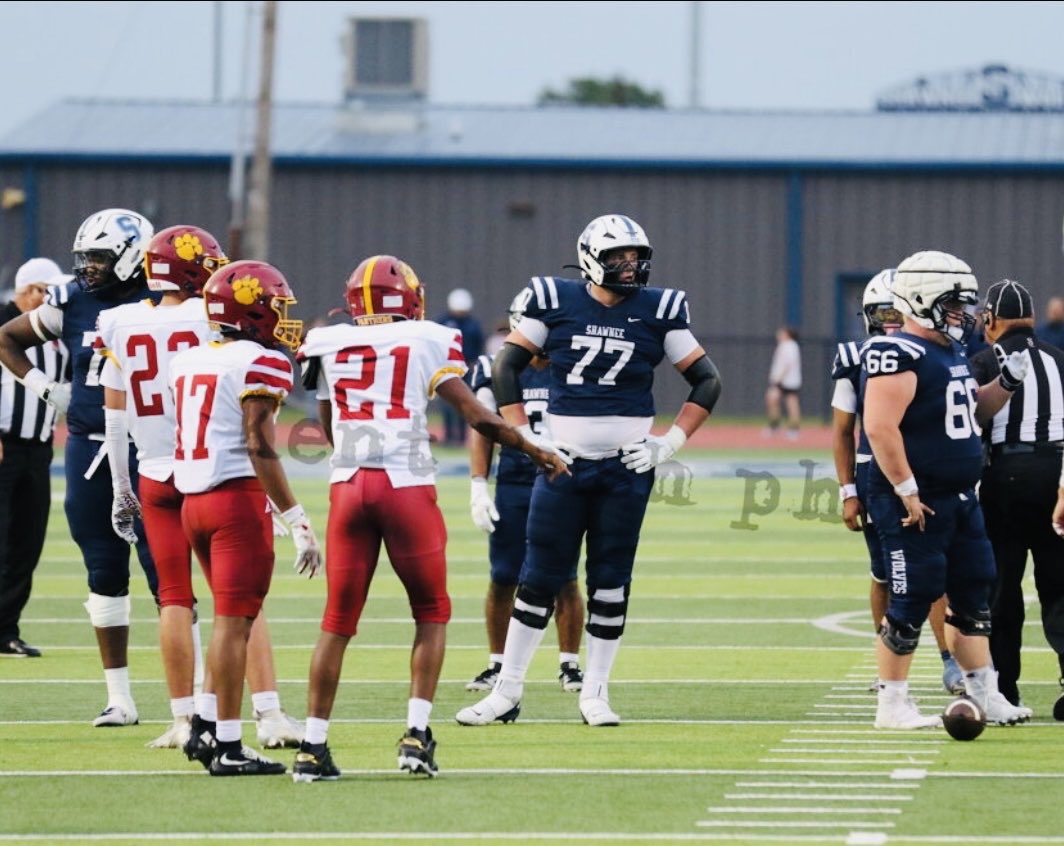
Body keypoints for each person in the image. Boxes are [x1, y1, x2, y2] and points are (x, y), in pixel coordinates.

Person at [290, 255, 568, 783]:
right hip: (405, 486)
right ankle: (416, 736)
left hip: (348, 486)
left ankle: (312, 745)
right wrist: (533, 449)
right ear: (410, 298)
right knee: (430, 611)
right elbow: (477, 416)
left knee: (336, 623)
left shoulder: (326, 342)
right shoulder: (428, 338)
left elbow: (327, 425)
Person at [457, 213, 721, 728]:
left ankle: (595, 693)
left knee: (610, 582)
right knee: (537, 577)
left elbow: (707, 381)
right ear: (589, 259)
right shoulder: (554, 300)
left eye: (635, 258)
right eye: (617, 258)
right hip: (563, 465)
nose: (628, 267)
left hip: (626, 469)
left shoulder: (659, 309)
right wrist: (524, 436)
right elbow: (507, 365)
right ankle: (508, 689)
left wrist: (669, 444)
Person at [96, 225, 303, 751]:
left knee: (173, 599)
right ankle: (268, 712)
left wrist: (122, 488)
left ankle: (185, 719)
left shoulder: (119, 321)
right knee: (238, 604)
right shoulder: (214, 316)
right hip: (214, 469)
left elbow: (114, 418)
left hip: (153, 471)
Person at [861, 249, 1033, 729]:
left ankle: (987, 692)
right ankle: (891, 704)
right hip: (915, 499)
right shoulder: (894, 350)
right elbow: (879, 427)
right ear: (920, 299)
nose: (963, 314)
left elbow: (971, 413)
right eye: (953, 303)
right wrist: (906, 488)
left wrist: (1006, 384)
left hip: (959, 494)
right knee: (912, 597)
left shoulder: (949, 350)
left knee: (975, 594)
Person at [0, 208, 158, 725]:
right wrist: (47, 388)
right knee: (103, 571)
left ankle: (197, 702)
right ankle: (120, 698)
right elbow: (8, 338)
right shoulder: (72, 300)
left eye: (99, 258)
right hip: (89, 448)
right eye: (84, 258)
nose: (87, 268)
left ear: (132, 256)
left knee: (167, 575)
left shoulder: (164, 298)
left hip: (152, 448)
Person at [168, 259, 321, 776]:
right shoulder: (261, 361)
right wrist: (296, 518)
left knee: (225, 625)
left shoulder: (190, 359)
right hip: (235, 502)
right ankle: (228, 744)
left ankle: (205, 726)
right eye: (275, 305)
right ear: (251, 307)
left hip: (192, 504)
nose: (280, 315)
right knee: (235, 627)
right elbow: (258, 443)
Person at [831, 269, 964, 696]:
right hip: (876, 472)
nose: (890, 320)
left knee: (936, 569)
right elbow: (841, 430)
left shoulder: (937, 350)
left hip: (926, 468)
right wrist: (848, 489)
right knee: (884, 573)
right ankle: (885, 660)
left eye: (896, 310)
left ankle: (951, 662)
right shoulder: (856, 356)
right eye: (882, 312)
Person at [465, 290, 584, 694]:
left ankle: (570, 664)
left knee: (565, 577)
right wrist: (478, 485)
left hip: (560, 480)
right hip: (514, 481)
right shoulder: (495, 367)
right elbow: (482, 428)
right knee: (503, 577)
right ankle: (497, 664)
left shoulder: (572, 365)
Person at [970, 279, 1064, 716]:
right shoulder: (1060, 361)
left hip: (1005, 477)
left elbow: (967, 424)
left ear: (991, 319)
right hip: (1056, 477)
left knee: (1002, 591)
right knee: (1060, 590)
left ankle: (1004, 690)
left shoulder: (984, 361)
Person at [0, 258, 70, 657]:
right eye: (42, 291)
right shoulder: (5, 326)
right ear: (23, 291)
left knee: (27, 543)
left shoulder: (55, 330)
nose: (48, 299)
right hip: (4, 445)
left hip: (37, 449)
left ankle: (6, 629)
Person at [435, 287, 484, 445]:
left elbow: (478, 345)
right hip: (445, 368)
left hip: (465, 369)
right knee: (447, 404)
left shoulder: (473, 325)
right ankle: (449, 436)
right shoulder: (443, 322)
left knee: (464, 402)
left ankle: (462, 436)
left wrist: (471, 362)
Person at [764, 326, 801, 439]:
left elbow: (788, 364)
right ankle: (775, 425)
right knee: (772, 399)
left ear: (787, 334)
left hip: (787, 381)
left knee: (791, 404)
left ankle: (793, 429)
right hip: (784, 380)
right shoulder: (785, 345)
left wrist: (778, 379)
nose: (778, 334)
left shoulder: (790, 346)